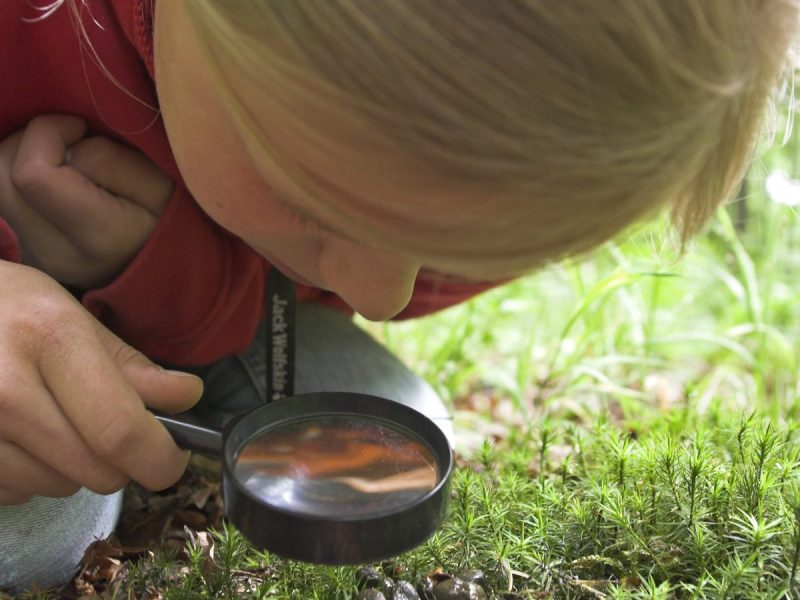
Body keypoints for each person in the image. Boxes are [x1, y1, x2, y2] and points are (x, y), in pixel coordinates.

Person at [0, 0, 796, 592]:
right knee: (32, 544)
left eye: (449, 250)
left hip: (199, 296)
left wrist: (177, 274)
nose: (380, 298)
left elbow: (324, 283)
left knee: (388, 414)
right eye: (315, 204)